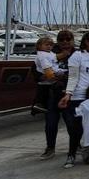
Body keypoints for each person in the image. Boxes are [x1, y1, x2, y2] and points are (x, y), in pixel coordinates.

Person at [58, 31, 89, 169]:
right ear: (87, 41)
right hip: (79, 97)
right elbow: (73, 77)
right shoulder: (77, 56)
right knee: (76, 128)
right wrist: (68, 94)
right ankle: (71, 155)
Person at [39, 31, 73, 160]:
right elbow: (36, 71)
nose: (65, 41)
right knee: (50, 123)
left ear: (72, 40)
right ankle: (50, 148)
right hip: (52, 94)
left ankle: (76, 146)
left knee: (72, 123)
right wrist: (41, 75)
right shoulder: (48, 53)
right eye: (62, 39)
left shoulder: (78, 53)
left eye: (68, 39)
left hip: (70, 93)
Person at [33, 36, 62, 114]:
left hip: (53, 75)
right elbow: (46, 67)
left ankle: (44, 106)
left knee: (47, 94)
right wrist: (52, 76)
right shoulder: (42, 55)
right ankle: (40, 106)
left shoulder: (49, 53)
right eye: (46, 45)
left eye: (51, 45)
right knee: (44, 94)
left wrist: (64, 54)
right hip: (46, 79)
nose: (49, 46)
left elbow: (55, 57)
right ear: (39, 46)